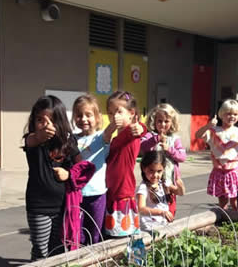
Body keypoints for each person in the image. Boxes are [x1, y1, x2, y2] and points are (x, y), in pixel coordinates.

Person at [23, 95, 81, 260]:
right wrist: (39, 136)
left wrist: (68, 174)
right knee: (41, 250)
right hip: (39, 206)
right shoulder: (33, 140)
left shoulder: (68, 142)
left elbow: (80, 166)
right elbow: (32, 140)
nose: (46, 125)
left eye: (52, 120)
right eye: (40, 120)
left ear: (61, 122)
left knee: (58, 247)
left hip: (63, 206)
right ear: (33, 122)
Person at [104, 91, 147, 237]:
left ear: (131, 113)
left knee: (124, 235)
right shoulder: (116, 137)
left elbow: (139, 129)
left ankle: (133, 258)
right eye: (110, 113)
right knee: (112, 234)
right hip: (111, 190)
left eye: (118, 111)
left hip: (123, 191)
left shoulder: (131, 133)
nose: (114, 116)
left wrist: (141, 127)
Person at [195, 99, 238, 210]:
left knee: (235, 202)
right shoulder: (214, 131)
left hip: (233, 172)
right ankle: (225, 222)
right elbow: (198, 135)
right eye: (228, 113)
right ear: (221, 115)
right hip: (218, 171)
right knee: (222, 203)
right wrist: (208, 125)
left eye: (235, 114)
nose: (232, 117)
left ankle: (237, 221)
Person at [72, 94, 112, 245]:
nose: (83, 119)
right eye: (79, 115)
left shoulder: (101, 138)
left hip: (97, 194)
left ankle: (96, 265)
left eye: (88, 115)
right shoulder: (72, 139)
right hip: (77, 195)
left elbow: (109, 132)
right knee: (78, 233)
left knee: (96, 232)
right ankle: (80, 263)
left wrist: (115, 122)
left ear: (97, 117)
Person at [141, 103, 186, 216]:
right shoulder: (150, 136)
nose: (163, 124)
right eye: (159, 121)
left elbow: (182, 157)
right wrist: (156, 139)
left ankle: (170, 224)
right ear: (154, 122)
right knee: (155, 203)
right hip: (153, 178)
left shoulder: (175, 139)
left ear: (172, 122)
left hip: (169, 179)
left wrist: (169, 149)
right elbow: (142, 147)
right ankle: (154, 224)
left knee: (170, 204)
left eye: (166, 121)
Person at [136, 151, 185, 233]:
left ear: (163, 169)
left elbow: (179, 193)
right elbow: (141, 209)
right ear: (144, 169)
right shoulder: (143, 187)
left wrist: (181, 187)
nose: (155, 175)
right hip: (149, 228)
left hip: (162, 226)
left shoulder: (163, 183)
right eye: (151, 171)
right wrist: (161, 212)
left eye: (159, 171)